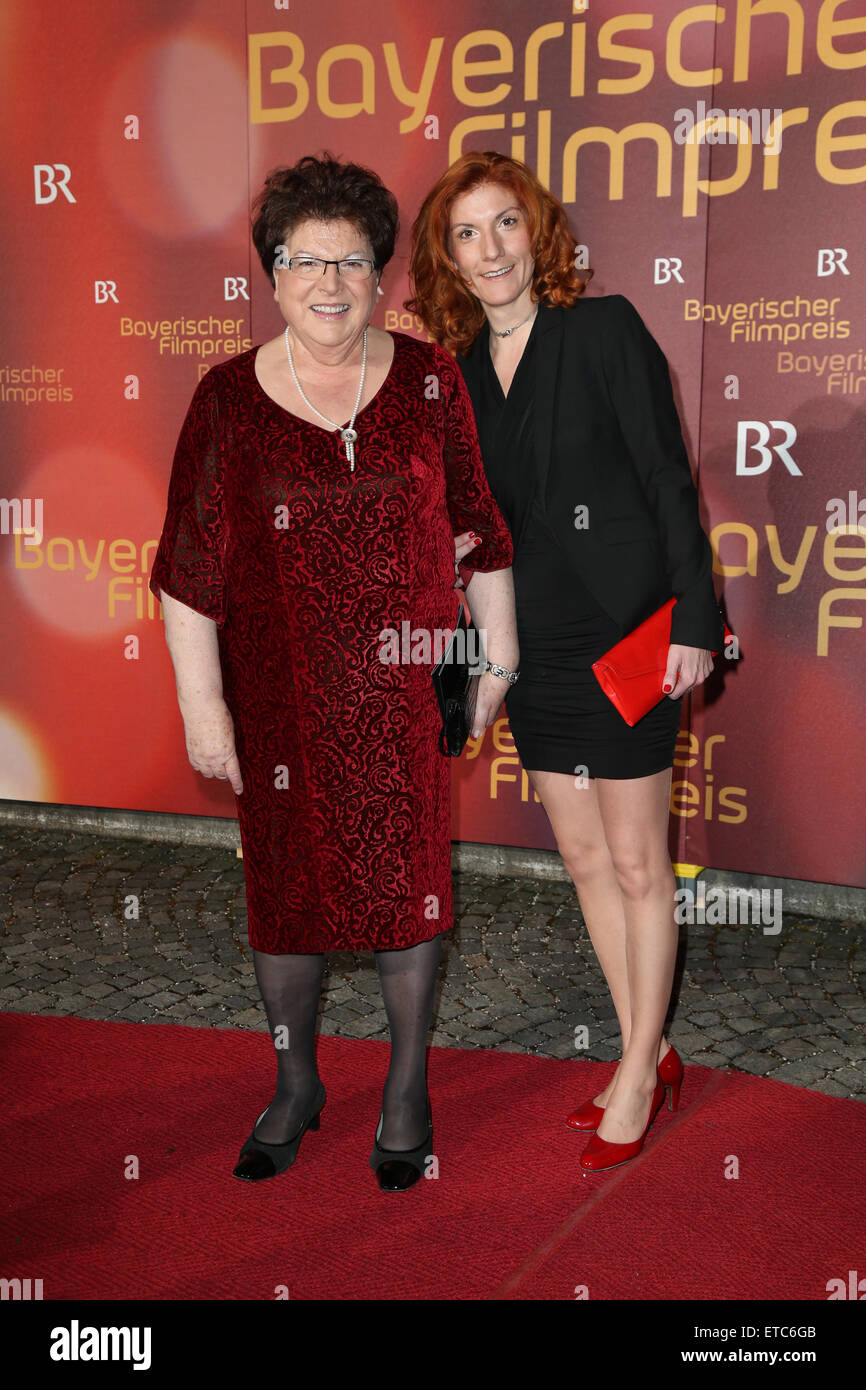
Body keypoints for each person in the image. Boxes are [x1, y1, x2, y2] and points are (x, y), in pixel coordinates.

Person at [149, 153, 517, 1192]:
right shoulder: (224, 399)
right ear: (270, 274)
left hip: (403, 697)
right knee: (287, 902)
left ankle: (406, 1091)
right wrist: (202, 706)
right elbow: (185, 575)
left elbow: (482, 533)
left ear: (380, 274)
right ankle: (295, 1083)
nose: (328, 282)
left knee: (406, 898)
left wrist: (495, 658)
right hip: (279, 709)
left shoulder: (432, 378)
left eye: (351, 260)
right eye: (304, 260)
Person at [407, 151, 724, 1173]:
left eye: (504, 224)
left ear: (535, 236)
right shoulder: (454, 377)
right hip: (529, 646)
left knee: (636, 862)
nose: (488, 248)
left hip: (625, 636)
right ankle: (651, 1044)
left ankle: (634, 1067)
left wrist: (693, 622)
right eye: (466, 233)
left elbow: (667, 481)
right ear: (447, 259)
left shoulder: (602, 330)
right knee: (583, 860)